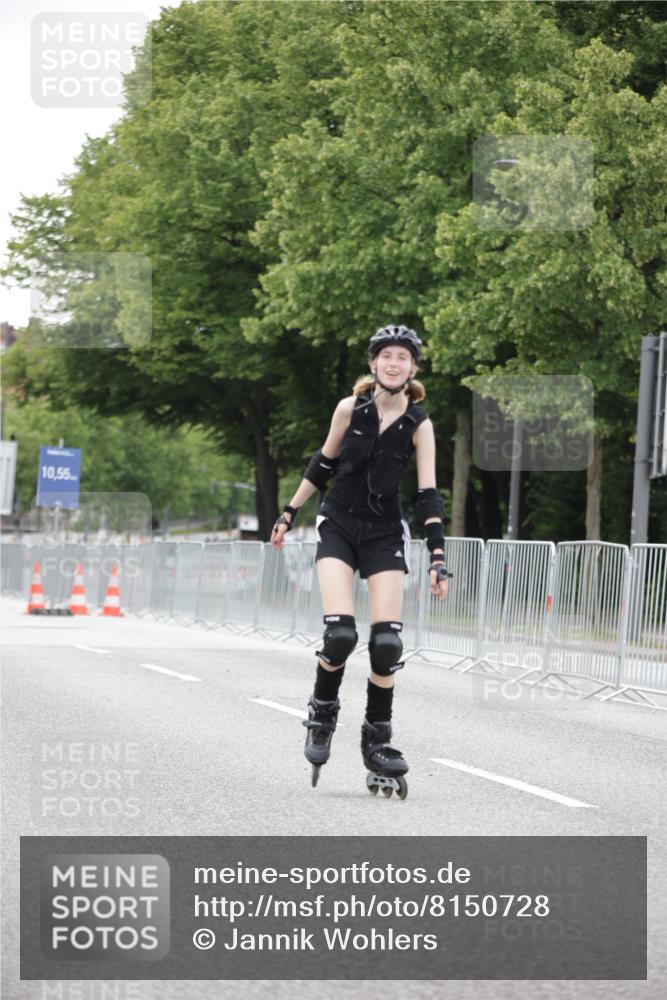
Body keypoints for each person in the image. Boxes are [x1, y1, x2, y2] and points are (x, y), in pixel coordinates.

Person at [270, 325, 451, 799]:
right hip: (338, 525)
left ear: (413, 368)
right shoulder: (350, 409)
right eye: (386, 356)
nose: (394, 363)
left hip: (384, 532)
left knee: (387, 643)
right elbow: (322, 464)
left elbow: (428, 495)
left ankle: (378, 741)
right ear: (373, 364)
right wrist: (289, 513)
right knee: (341, 634)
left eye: (403, 357)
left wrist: (437, 556)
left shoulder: (420, 424)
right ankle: (322, 713)